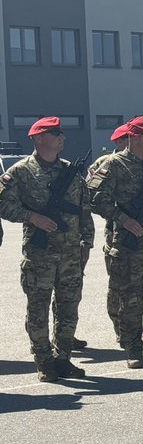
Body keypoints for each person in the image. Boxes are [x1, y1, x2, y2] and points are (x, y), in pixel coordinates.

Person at [0, 116, 94, 382]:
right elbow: (2, 204)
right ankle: (44, 361)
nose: (61, 136)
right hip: (40, 253)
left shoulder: (70, 171)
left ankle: (63, 358)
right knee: (39, 307)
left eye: (62, 132)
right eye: (55, 133)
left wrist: (87, 242)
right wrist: (32, 217)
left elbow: (83, 208)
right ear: (38, 138)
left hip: (70, 253)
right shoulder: (20, 172)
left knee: (69, 307)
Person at [89, 115, 143, 367]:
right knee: (130, 297)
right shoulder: (113, 164)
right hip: (129, 243)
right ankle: (132, 348)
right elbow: (94, 197)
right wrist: (122, 218)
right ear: (134, 138)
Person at [91, 124, 131, 340]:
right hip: (116, 232)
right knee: (118, 282)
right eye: (126, 139)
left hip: (142, 232)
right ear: (119, 142)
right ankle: (118, 324)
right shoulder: (104, 164)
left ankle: (135, 327)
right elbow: (94, 198)